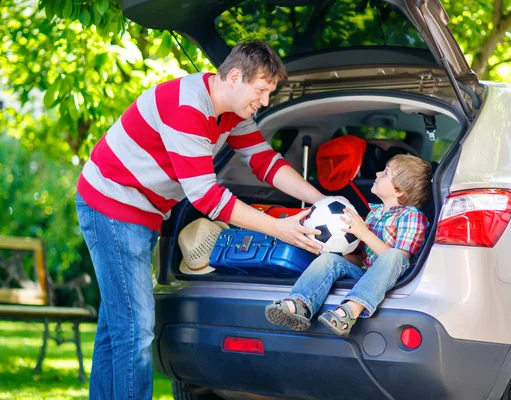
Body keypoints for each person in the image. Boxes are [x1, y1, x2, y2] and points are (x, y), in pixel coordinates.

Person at [75, 41, 328, 399]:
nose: (265, 102)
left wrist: (321, 199)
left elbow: (264, 162)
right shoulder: (187, 107)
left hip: (144, 212)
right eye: (261, 91)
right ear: (235, 77)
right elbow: (206, 197)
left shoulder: (233, 112)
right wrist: (279, 229)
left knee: (116, 330)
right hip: (111, 205)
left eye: (269, 93)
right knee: (134, 331)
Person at [265, 154, 431, 336]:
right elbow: (363, 258)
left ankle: (350, 311)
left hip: (394, 278)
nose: (377, 173)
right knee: (330, 259)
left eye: (385, 173)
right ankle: (299, 304)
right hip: (367, 273)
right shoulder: (374, 213)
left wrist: (363, 233)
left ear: (398, 191)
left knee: (395, 255)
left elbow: (400, 262)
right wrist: (338, 256)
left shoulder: (412, 216)